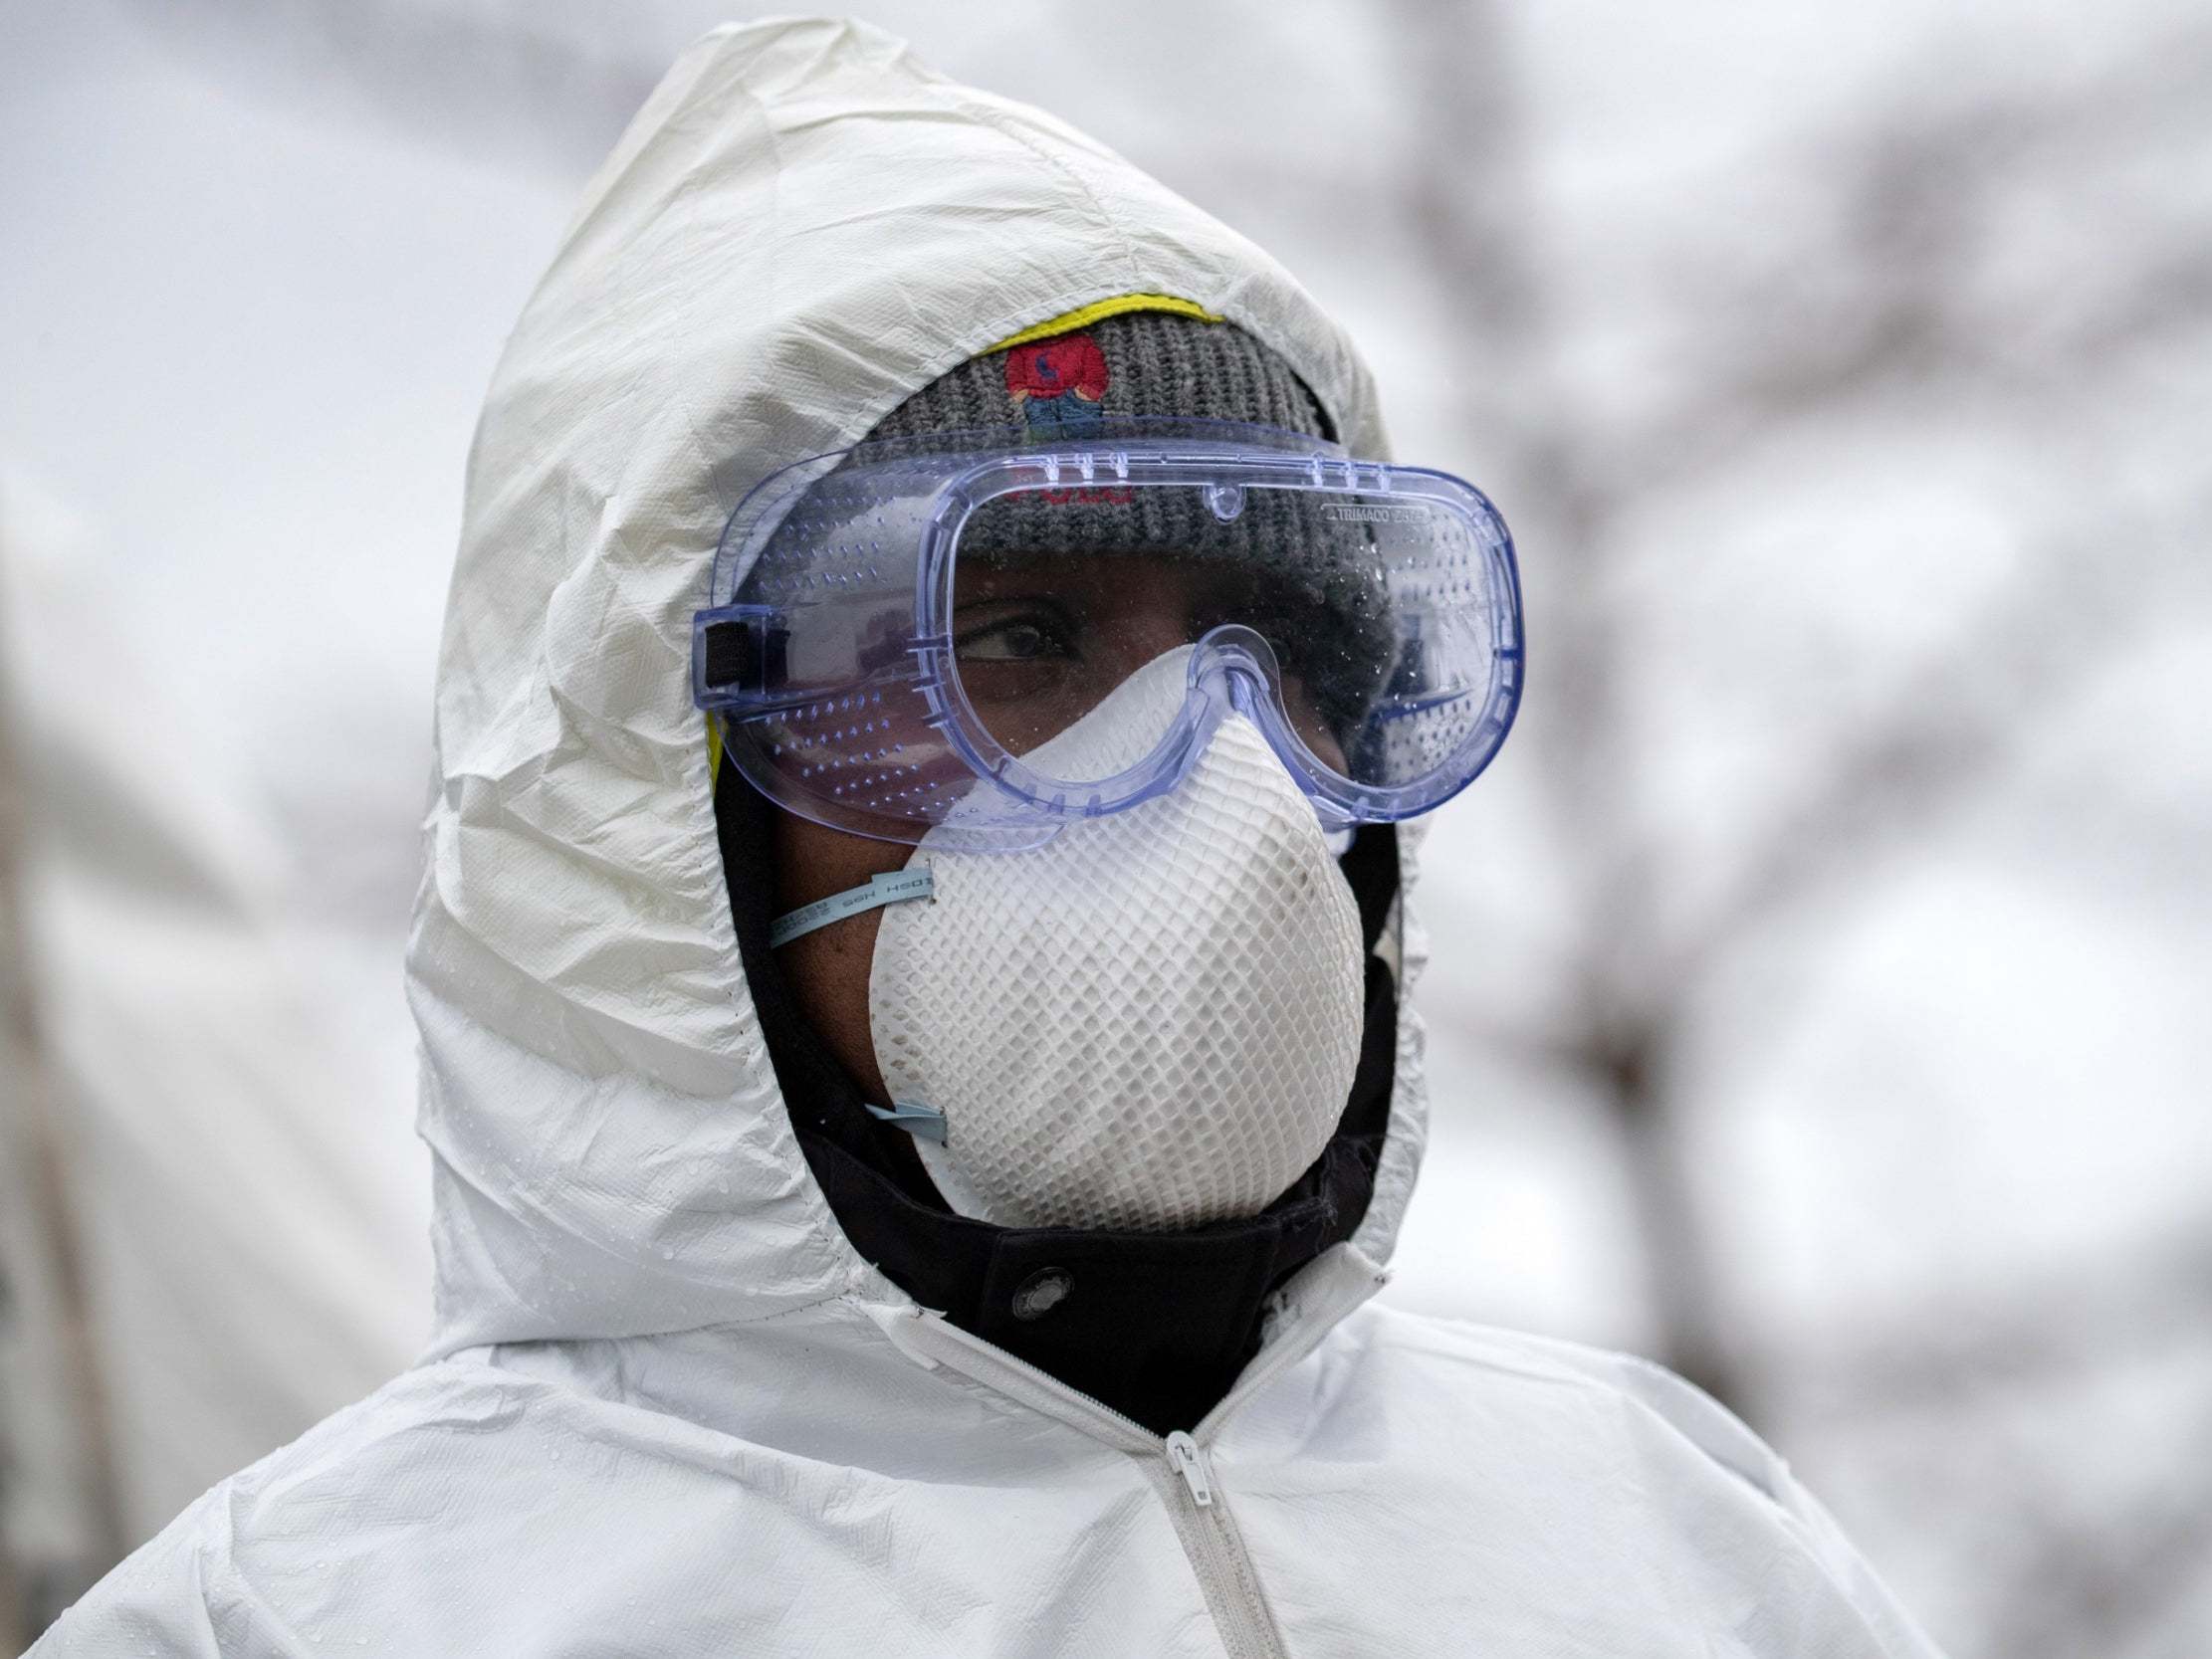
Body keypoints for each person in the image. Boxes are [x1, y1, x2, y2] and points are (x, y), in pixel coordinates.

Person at [34, 19, 1945, 1656]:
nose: (1221, 777)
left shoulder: (1666, 1546)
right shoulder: (317, 1623)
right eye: (1018, 639)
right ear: (655, 787)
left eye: (1271, 656)